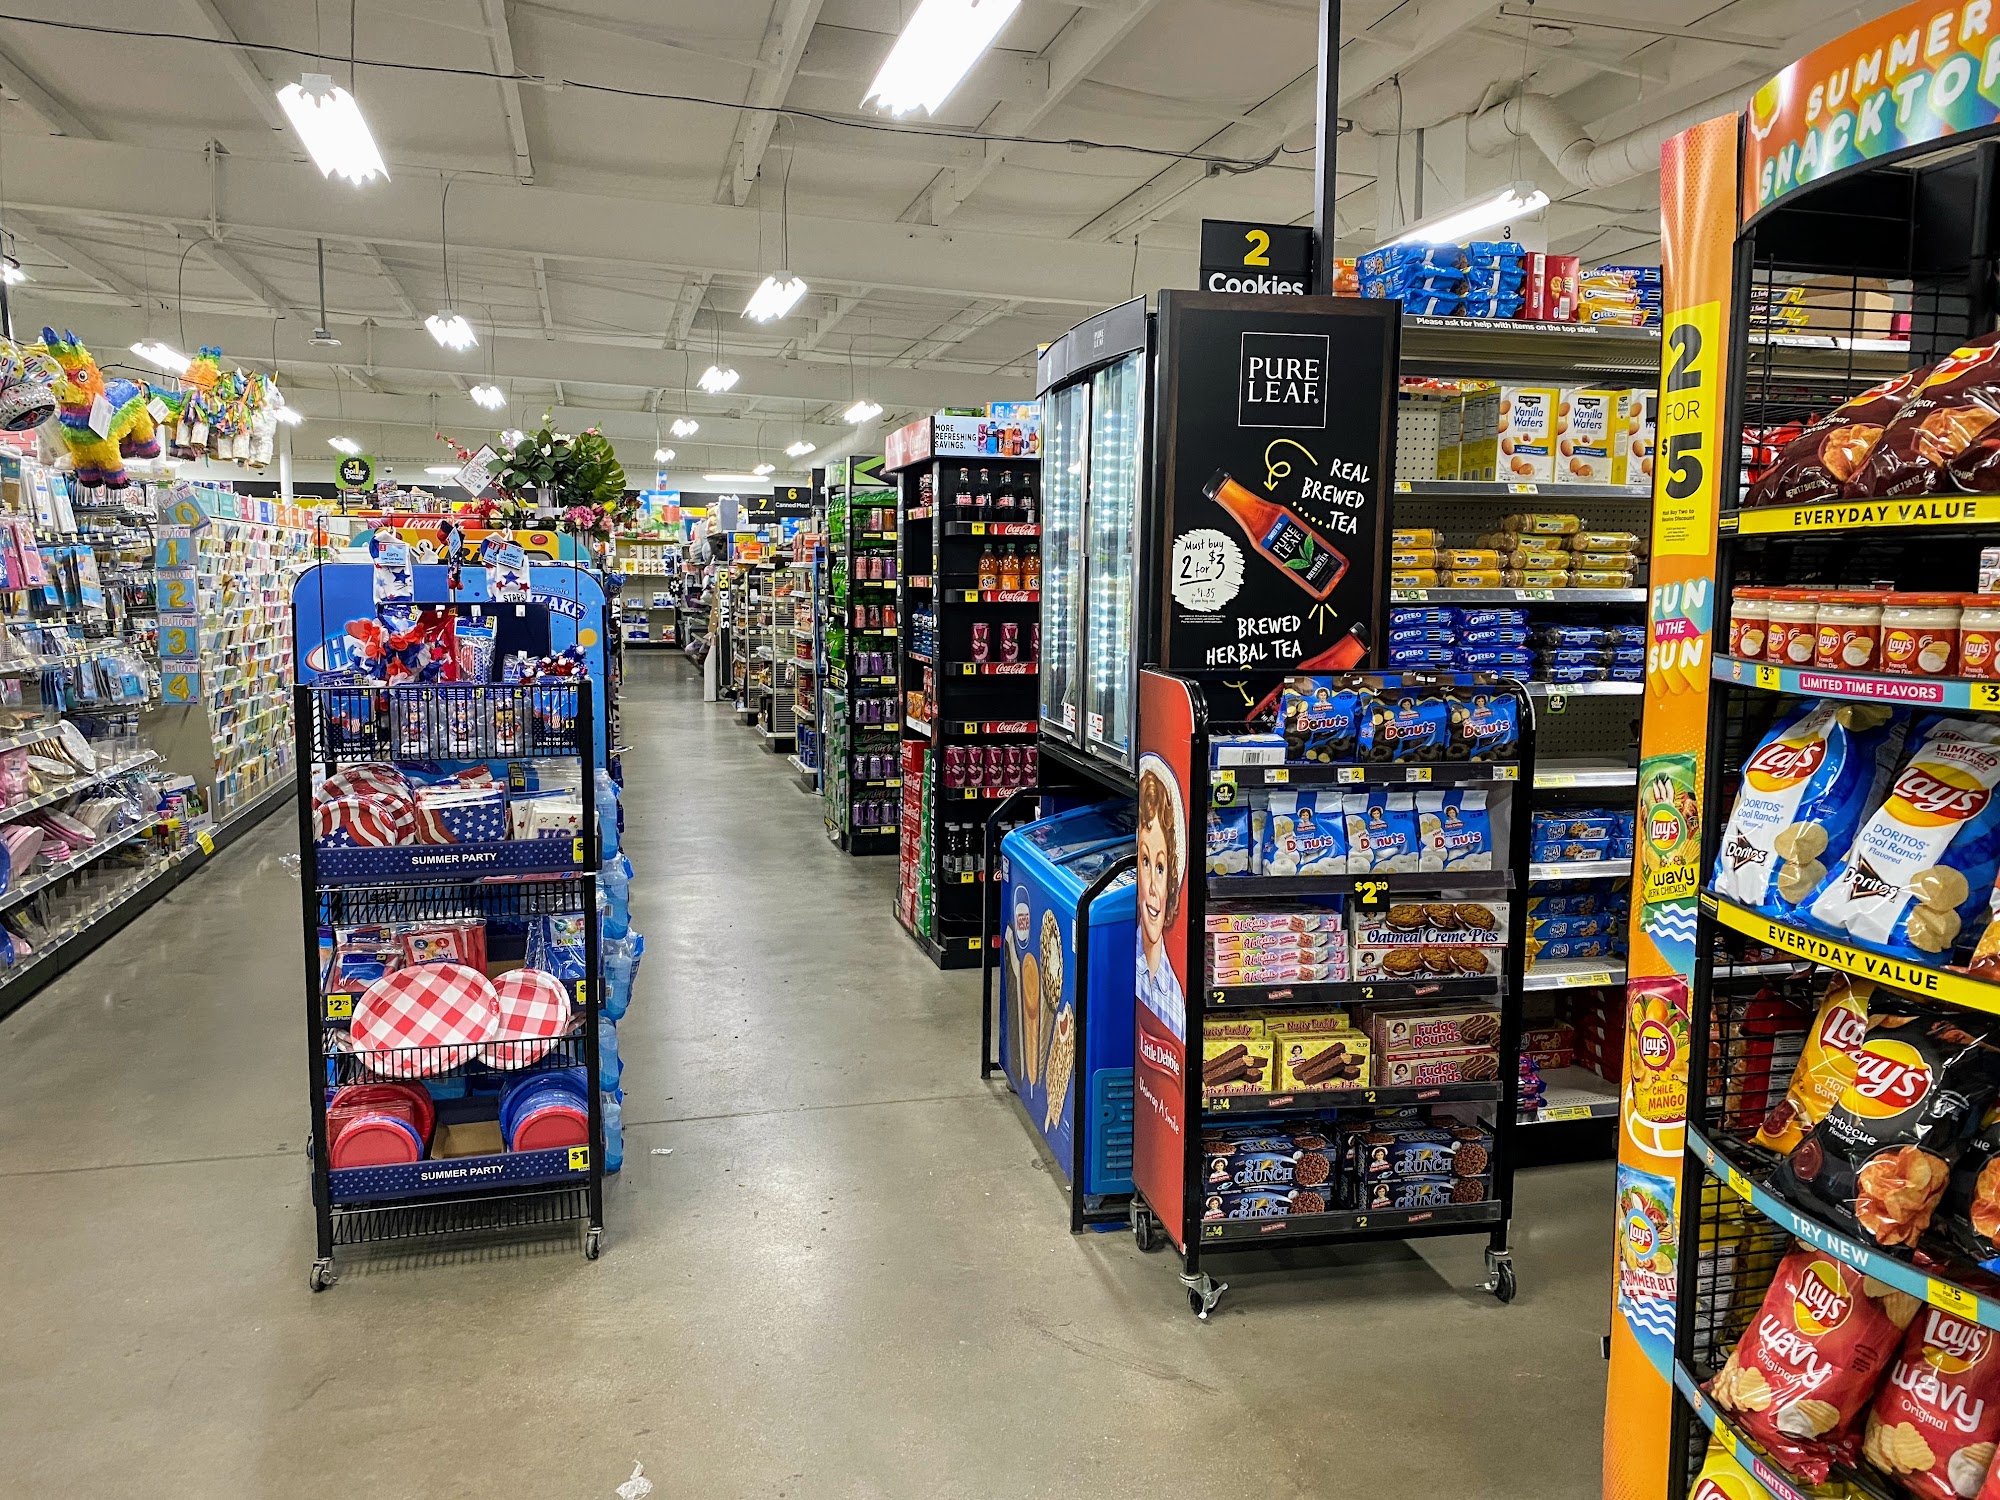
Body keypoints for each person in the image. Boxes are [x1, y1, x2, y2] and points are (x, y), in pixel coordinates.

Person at [1136, 761, 1186, 1039]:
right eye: (1145, 861)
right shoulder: (1125, 959)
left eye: (1160, 867)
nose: (1154, 888)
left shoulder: (1176, 1000)